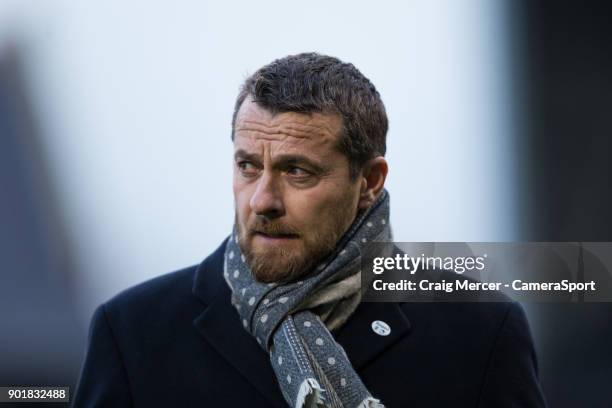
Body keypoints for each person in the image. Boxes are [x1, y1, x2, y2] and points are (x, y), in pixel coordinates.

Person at [72, 53, 546, 407]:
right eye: (248, 166)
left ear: (369, 182)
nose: (263, 200)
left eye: (297, 171)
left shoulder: (479, 332)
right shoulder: (134, 333)